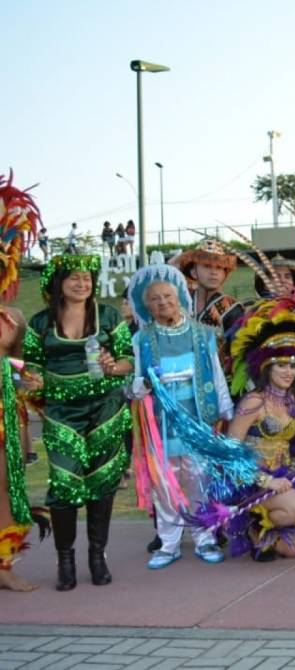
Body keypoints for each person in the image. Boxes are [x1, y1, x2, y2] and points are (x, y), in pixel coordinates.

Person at [23, 255, 133, 590]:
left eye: (86, 278)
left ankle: (97, 557)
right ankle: (65, 560)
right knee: (64, 484)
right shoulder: (40, 322)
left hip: (106, 410)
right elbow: (32, 363)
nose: (81, 283)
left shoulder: (110, 315)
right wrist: (34, 379)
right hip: (61, 413)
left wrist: (113, 366)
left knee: (103, 482)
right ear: (58, 283)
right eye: (73, 278)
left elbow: (128, 359)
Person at [127, 264, 234, 569]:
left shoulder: (203, 334)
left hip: (197, 420)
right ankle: (169, 543)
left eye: (168, 296)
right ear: (147, 306)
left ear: (180, 298)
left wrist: (223, 410)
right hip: (161, 424)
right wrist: (144, 384)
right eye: (155, 299)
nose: (163, 303)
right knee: (166, 482)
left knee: (199, 479)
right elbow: (136, 382)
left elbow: (216, 374)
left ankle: (205, 538)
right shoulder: (142, 340)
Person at [225, 294, 295, 560]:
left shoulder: (291, 401)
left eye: (293, 366)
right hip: (252, 483)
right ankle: (249, 521)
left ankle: (262, 528)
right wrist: (265, 480)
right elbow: (231, 449)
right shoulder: (254, 401)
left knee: (294, 549)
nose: (289, 372)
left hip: (282, 480)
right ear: (266, 368)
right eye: (281, 365)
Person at [0, 171, 46, 592]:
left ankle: (3, 566)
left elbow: (17, 365)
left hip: (3, 420)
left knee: (4, 486)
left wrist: (27, 377)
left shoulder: (11, 319)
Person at [174, 240, 243, 363]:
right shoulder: (181, 303)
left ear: (224, 274)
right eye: (207, 266)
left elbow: (239, 354)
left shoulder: (232, 309)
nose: (214, 272)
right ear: (193, 272)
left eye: (219, 267)